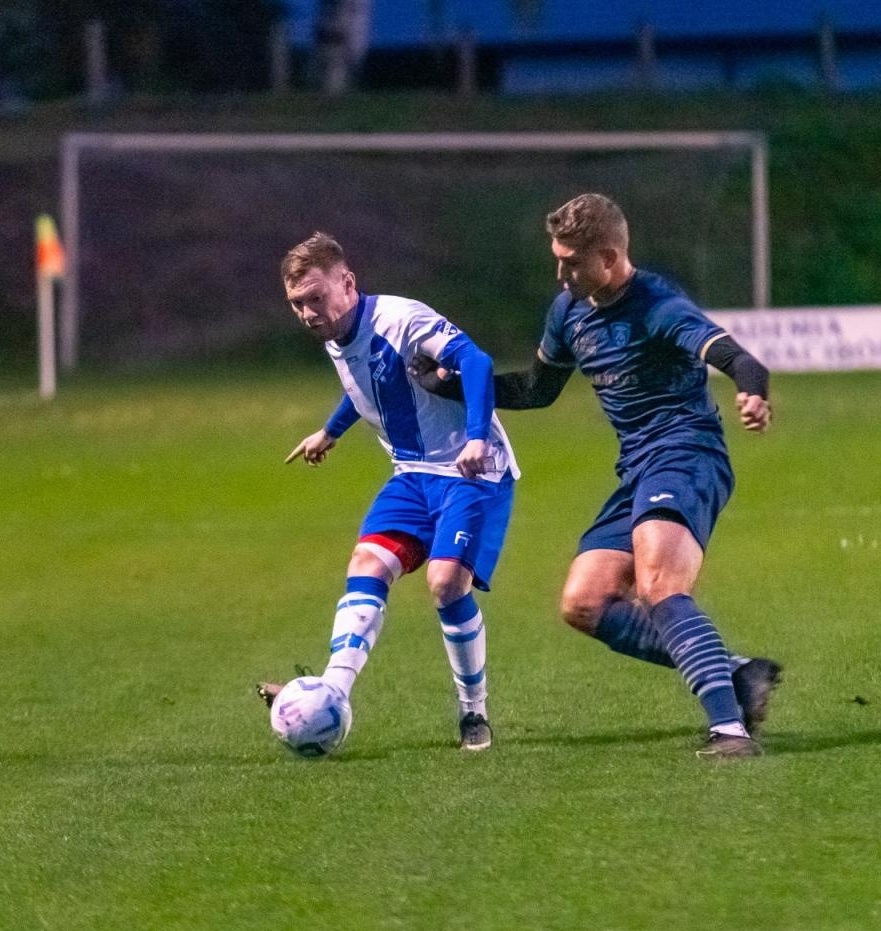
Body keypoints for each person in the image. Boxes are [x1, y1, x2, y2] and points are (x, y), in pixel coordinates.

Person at [419, 193, 781, 758]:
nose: (560, 273)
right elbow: (537, 390)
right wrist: (453, 387)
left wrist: (753, 392)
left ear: (609, 258)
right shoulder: (568, 311)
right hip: (637, 468)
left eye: (571, 262)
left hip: (687, 455)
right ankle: (737, 672)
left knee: (660, 587)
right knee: (584, 603)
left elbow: (738, 358)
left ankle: (730, 732)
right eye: (557, 259)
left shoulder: (658, 304)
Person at [258, 233, 520, 751]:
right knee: (367, 564)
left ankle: (473, 710)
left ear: (348, 283)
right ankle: (333, 691)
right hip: (412, 473)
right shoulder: (336, 333)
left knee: (446, 583)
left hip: (471, 471)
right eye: (297, 304)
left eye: (315, 298)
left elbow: (477, 362)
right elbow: (366, 384)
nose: (308, 313)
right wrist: (330, 431)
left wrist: (474, 437)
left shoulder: (402, 319)